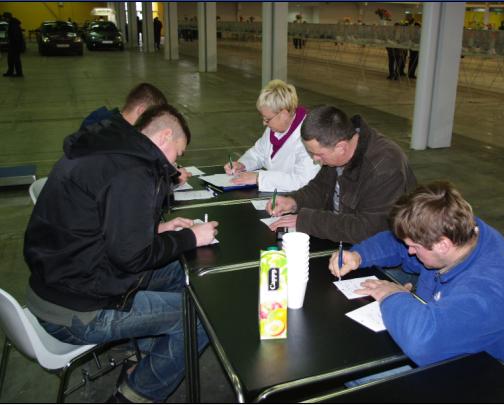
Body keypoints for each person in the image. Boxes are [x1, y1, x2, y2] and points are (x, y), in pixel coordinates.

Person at [23, 104, 219, 403]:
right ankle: (132, 395)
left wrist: (157, 229)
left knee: (181, 274)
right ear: (165, 136)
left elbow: (96, 225)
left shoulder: (107, 152)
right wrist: (191, 237)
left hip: (60, 283)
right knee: (201, 318)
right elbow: (132, 258)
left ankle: (143, 356)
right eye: (177, 154)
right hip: (78, 309)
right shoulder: (132, 171)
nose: (174, 163)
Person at [329, 181, 504, 376]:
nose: (409, 251)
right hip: (444, 345)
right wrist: (359, 255)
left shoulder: (488, 290)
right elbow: (399, 244)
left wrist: (391, 295)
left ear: (443, 245)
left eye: (415, 247)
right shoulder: (455, 232)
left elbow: (424, 342)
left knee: (353, 368)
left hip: (480, 379)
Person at [266, 105, 417, 244]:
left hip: (383, 254)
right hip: (341, 241)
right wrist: (293, 201)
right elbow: (319, 188)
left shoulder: (384, 167)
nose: (315, 159)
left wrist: (307, 220)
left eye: (318, 154)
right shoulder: (336, 148)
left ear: (341, 147)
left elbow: (368, 229)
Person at [80, 82, 192, 185]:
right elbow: (126, 180)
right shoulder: (112, 135)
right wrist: (171, 178)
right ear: (141, 111)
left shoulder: (109, 123)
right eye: (152, 117)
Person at [224, 79, 320, 192]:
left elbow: (302, 181)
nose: (264, 123)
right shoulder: (276, 127)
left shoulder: (309, 137)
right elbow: (258, 153)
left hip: (299, 198)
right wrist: (243, 164)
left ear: (284, 114)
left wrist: (259, 178)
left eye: (267, 119)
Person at [2, 11, 25, 78]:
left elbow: (16, 36)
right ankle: (10, 72)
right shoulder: (12, 23)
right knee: (11, 59)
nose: (4, 19)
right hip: (13, 45)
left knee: (15, 59)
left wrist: (13, 44)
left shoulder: (13, 24)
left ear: (7, 17)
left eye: (5, 18)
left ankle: (19, 73)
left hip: (15, 45)